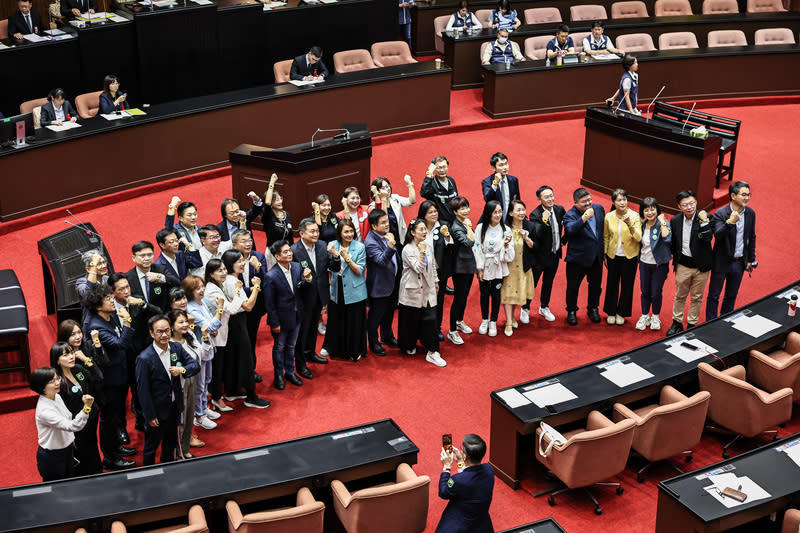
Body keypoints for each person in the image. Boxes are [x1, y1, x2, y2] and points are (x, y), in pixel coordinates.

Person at [83, 283, 136, 470]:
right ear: (98, 305)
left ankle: (116, 447)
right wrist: (128, 321)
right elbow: (120, 344)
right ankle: (110, 457)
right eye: (108, 299)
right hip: (107, 381)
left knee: (117, 415)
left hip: (119, 375)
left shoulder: (110, 316)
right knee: (108, 419)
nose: (113, 301)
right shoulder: (97, 326)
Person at [206, 252, 270, 408]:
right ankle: (251, 396)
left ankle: (234, 390)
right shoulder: (231, 281)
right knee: (245, 359)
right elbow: (247, 306)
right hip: (236, 324)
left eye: (243, 260)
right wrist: (256, 287)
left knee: (234, 359)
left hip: (234, 323)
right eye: (239, 261)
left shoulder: (230, 280)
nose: (243, 263)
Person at [136, 315, 200, 466]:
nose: (164, 335)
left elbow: (194, 365)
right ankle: (148, 474)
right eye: (159, 332)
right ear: (152, 333)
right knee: (151, 447)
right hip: (157, 412)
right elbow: (142, 391)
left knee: (170, 444)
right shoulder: (144, 358)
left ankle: (169, 469)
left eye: (167, 330)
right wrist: (150, 415)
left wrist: (182, 369)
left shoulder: (176, 348)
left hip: (174, 407)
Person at [30, 367, 93, 481]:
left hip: (67, 450)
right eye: (52, 381)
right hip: (52, 456)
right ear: (41, 385)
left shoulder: (56, 396)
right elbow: (72, 426)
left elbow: (67, 417)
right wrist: (86, 408)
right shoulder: (45, 410)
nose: (57, 382)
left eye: (57, 378)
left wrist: (70, 439)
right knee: (57, 492)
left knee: (69, 485)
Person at [50, 341, 103, 476]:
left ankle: (97, 471)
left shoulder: (78, 369)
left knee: (92, 445)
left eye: (72, 353)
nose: (71, 357)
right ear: (57, 360)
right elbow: (60, 410)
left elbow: (98, 377)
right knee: (82, 451)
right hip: (75, 424)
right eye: (66, 355)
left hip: (91, 417)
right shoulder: (57, 382)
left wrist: (86, 359)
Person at [292, 218, 338, 369]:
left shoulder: (322, 245)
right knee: (302, 331)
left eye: (317, 231)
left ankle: (310, 353)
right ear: (301, 233)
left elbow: (333, 267)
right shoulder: (294, 251)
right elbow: (293, 278)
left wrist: (336, 256)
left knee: (312, 328)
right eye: (312, 231)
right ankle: (300, 362)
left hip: (319, 295)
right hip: (303, 298)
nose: (316, 234)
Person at [398, 219, 445, 366]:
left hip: (429, 289)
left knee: (431, 319)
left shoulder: (427, 245)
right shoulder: (407, 249)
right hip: (412, 291)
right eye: (421, 229)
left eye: (425, 229)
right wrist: (422, 252)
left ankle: (433, 351)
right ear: (412, 232)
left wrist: (436, 282)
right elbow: (418, 268)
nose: (425, 232)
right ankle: (409, 345)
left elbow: (432, 267)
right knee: (412, 321)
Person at [707, 180, 756, 320]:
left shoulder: (751, 214)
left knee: (731, 295)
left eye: (749, 194)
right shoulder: (720, 214)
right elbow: (718, 234)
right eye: (743, 195)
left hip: (739, 262)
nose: (747, 198)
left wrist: (750, 259)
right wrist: (731, 222)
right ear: (733, 196)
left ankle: (726, 321)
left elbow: (751, 236)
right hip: (721, 261)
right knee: (714, 295)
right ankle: (710, 324)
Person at [265, 240, 311, 389]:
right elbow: (269, 304)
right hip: (281, 319)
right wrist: (274, 323)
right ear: (277, 256)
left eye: (289, 250)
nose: (290, 253)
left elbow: (301, 286)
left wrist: (307, 279)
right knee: (279, 347)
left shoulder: (297, 267)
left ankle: (290, 372)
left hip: (297, 314)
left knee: (291, 346)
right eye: (285, 252)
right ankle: (278, 374)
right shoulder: (271, 276)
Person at [666, 190, 713, 335]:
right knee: (680, 295)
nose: (689, 207)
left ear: (696, 203)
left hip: (701, 265)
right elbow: (674, 243)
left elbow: (707, 238)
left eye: (692, 203)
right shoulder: (675, 221)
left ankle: (692, 324)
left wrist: (705, 221)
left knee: (697, 297)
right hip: (683, 264)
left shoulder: (705, 217)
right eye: (685, 205)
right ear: (679, 206)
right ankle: (677, 322)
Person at [167, 309, 210, 458]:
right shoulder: (168, 343)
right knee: (180, 419)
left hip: (192, 378)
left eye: (186, 321)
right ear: (171, 326)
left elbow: (203, 355)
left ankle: (184, 449)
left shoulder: (190, 335)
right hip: (178, 384)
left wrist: (205, 338)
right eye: (181, 322)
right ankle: (176, 452)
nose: (185, 324)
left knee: (190, 415)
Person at [324, 219, 368, 361]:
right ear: (339, 233)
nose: (349, 234)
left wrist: (347, 258)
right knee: (336, 320)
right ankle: (335, 349)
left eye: (351, 231)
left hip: (355, 290)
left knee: (354, 321)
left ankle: (355, 351)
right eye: (346, 231)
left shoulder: (360, 247)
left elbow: (359, 271)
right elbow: (330, 269)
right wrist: (335, 256)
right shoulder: (332, 246)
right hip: (337, 288)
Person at [182, 275, 221, 429]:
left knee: (206, 381)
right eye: (197, 288)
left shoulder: (202, 302)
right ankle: (199, 415)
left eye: (202, 286)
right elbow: (211, 326)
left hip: (208, 347)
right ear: (190, 291)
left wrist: (213, 325)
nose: (202, 290)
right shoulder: (190, 307)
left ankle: (204, 408)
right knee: (199, 385)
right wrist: (220, 308)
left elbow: (212, 324)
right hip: (199, 350)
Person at [563, 187, 605, 325]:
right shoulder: (570, 214)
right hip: (577, 259)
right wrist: (584, 217)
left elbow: (601, 231)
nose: (588, 204)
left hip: (596, 257)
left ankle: (593, 308)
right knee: (573, 287)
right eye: (584, 202)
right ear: (575, 203)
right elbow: (570, 230)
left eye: (589, 200)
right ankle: (571, 310)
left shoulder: (598, 208)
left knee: (595, 286)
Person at [436, 433, 494, 533]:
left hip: (460, 527)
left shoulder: (458, 480)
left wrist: (446, 468)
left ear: (465, 455)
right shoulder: (489, 470)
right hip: (481, 524)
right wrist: (460, 461)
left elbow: (443, 492)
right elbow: (469, 475)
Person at [231, 229, 268, 383]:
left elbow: (267, 281)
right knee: (237, 341)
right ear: (234, 244)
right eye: (244, 241)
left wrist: (258, 269)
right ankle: (235, 372)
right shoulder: (230, 258)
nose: (248, 244)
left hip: (254, 307)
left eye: (249, 240)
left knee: (251, 339)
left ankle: (250, 369)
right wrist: (251, 289)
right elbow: (230, 283)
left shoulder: (258, 256)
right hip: (236, 307)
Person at [474, 201, 515, 337]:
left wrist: (506, 245)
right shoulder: (480, 228)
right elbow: (477, 249)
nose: (498, 215)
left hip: (499, 265)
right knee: (484, 293)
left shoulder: (506, 230)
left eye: (500, 212)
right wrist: (479, 268)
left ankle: (493, 321)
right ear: (488, 213)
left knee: (496, 294)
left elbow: (510, 255)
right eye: (495, 212)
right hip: (485, 264)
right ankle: (485, 319)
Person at [603, 189, 642, 325]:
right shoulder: (608, 217)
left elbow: (638, 238)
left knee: (627, 285)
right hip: (613, 255)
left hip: (629, 256)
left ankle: (622, 312)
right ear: (613, 202)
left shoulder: (635, 216)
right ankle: (611, 311)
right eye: (619, 200)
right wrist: (605, 254)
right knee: (612, 284)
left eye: (624, 199)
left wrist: (630, 225)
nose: (622, 202)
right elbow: (606, 236)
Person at [364, 209, 401, 356]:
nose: (387, 225)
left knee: (389, 313)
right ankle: (373, 342)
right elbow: (381, 260)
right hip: (379, 286)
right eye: (383, 222)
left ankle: (387, 336)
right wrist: (391, 246)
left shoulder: (386, 235)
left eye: (387, 221)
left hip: (392, 283)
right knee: (375, 317)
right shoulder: (370, 242)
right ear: (374, 226)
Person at [528, 185, 565, 323]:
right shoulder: (535, 215)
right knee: (533, 284)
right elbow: (538, 233)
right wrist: (544, 221)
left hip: (554, 255)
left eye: (551, 196)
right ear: (539, 199)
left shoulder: (559, 209)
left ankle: (544, 307)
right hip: (539, 257)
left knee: (548, 283)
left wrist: (563, 241)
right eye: (546, 197)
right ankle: (525, 308)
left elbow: (567, 224)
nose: (550, 199)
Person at [418, 200, 453, 340]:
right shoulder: (418, 227)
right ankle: (421, 329)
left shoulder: (444, 226)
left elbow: (450, 249)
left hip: (439, 272)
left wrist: (447, 237)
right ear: (424, 215)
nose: (434, 214)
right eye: (430, 212)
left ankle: (436, 328)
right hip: (421, 271)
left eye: (435, 211)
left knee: (438, 301)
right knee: (421, 301)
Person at [636, 197, 672, 331]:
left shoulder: (662, 223)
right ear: (642, 212)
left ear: (657, 210)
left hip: (659, 265)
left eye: (652, 209)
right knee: (645, 291)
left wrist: (662, 221)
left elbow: (667, 238)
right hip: (644, 263)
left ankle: (655, 316)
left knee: (655, 292)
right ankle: (645, 315)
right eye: (646, 210)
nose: (650, 213)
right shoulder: (642, 225)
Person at [501, 200, 535, 336]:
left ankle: (513, 316)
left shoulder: (530, 226)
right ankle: (508, 322)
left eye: (523, 210)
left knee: (518, 292)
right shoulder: (504, 228)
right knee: (508, 294)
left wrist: (526, 238)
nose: (522, 213)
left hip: (523, 265)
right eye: (518, 210)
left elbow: (534, 246)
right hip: (509, 267)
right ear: (510, 213)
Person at [447, 196, 477, 345]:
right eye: (462, 208)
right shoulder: (456, 227)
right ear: (455, 212)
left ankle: (459, 321)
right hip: (460, 268)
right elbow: (470, 242)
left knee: (464, 297)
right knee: (458, 298)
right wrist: (470, 228)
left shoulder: (463, 223)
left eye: (467, 207)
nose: (466, 210)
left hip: (469, 265)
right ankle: (452, 330)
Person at [125, 241, 180, 314]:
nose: (147, 258)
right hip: (140, 319)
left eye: (150, 255)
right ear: (133, 258)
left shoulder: (160, 270)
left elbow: (177, 283)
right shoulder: (129, 276)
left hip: (162, 316)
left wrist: (159, 278)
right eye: (142, 256)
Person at [371, 175, 417, 246]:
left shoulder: (395, 198)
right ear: (377, 191)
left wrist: (409, 183)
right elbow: (383, 217)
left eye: (387, 186)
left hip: (401, 239)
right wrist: (383, 199)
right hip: (386, 242)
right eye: (383, 188)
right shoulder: (373, 206)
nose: (387, 189)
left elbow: (412, 201)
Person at [75, 249, 109, 330]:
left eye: (104, 262)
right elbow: (89, 293)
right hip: (93, 326)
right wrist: (93, 267)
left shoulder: (108, 279)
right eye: (99, 264)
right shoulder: (81, 283)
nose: (104, 266)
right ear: (88, 269)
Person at [421, 156, 460, 226]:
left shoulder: (451, 181)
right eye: (439, 168)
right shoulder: (431, 183)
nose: (442, 170)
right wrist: (429, 173)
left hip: (454, 221)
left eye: (444, 167)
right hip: (440, 223)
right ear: (434, 169)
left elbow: (456, 201)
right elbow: (424, 193)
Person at [481, 152, 521, 219]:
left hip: (509, 218)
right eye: (501, 165)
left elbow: (517, 200)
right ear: (493, 168)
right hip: (494, 218)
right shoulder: (487, 181)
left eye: (506, 164)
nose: (505, 167)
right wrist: (495, 183)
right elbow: (487, 199)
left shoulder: (513, 180)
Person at [261, 174, 294, 246]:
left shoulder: (286, 214)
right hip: (274, 251)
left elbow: (290, 236)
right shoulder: (268, 216)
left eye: (280, 199)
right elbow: (267, 202)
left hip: (287, 250)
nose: (280, 202)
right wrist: (272, 182)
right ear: (271, 203)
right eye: (276, 200)